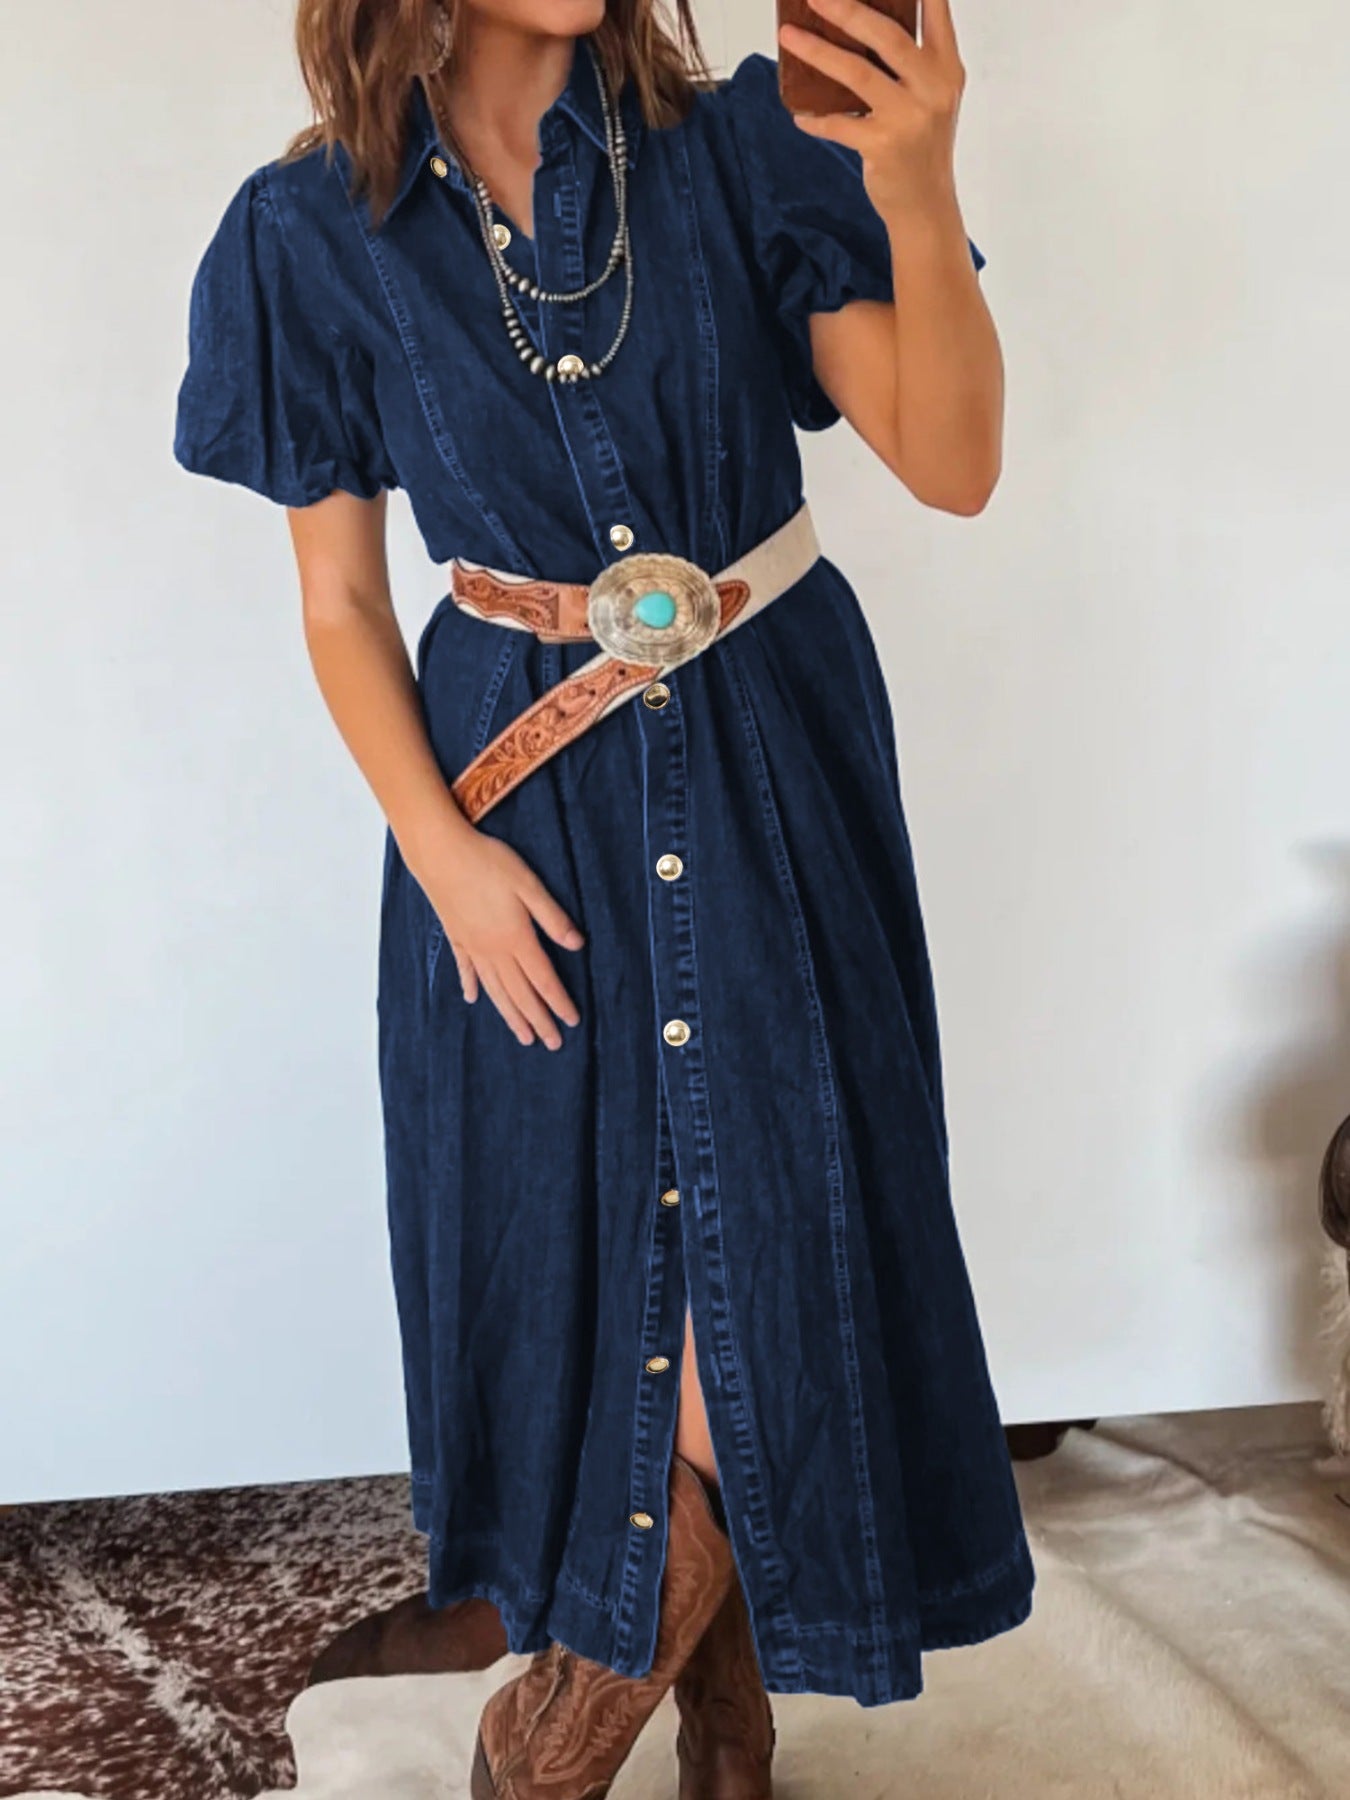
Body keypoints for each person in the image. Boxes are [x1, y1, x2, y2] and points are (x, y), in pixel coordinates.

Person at [173, 0, 1035, 1790]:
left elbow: (953, 466)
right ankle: (726, 1717)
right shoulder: (305, 229)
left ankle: (550, 1739)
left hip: (774, 759)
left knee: (769, 1231)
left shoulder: (742, 147)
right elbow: (339, 601)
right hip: (513, 801)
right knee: (582, 1252)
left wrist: (916, 175)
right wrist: (444, 856)